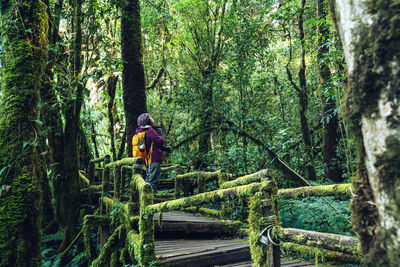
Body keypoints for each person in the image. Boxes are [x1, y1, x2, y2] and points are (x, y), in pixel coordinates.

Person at [135, 113, 166, 191]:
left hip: (147, 158)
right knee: (153, 180)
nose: (152, 119)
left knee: (149, 177)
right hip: (154, 158)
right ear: (148, 121)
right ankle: (150, 199)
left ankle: (145, 198)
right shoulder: (150, 130)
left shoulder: (140, 130)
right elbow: (160, 141)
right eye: (150, 118)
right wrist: (159, 132)